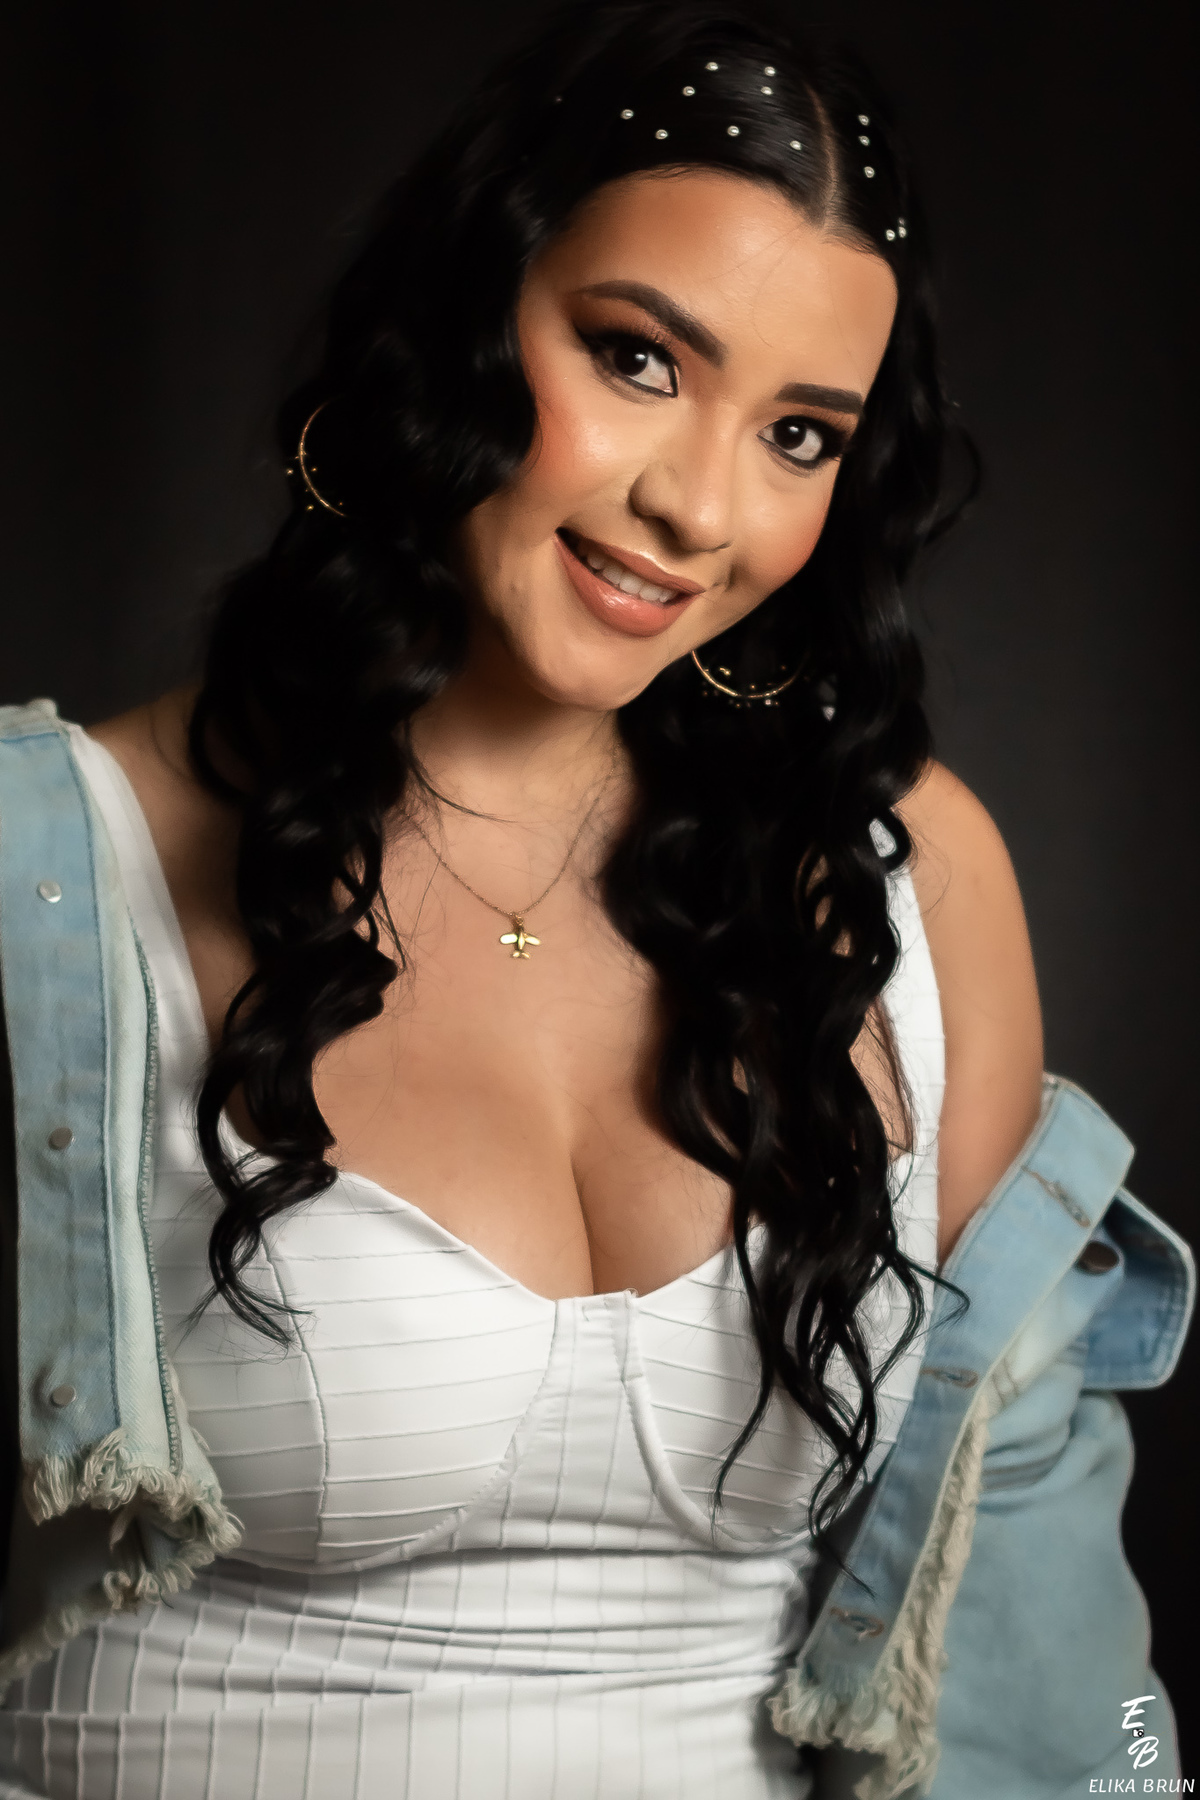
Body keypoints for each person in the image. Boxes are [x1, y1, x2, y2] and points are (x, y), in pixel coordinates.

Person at [0, 2, 1191, 1795]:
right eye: (638, 359)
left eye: (801, 436)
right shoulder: (53, 878)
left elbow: (1047, 1635)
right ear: (461, 314)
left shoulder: (910, 878)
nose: (700, 506)